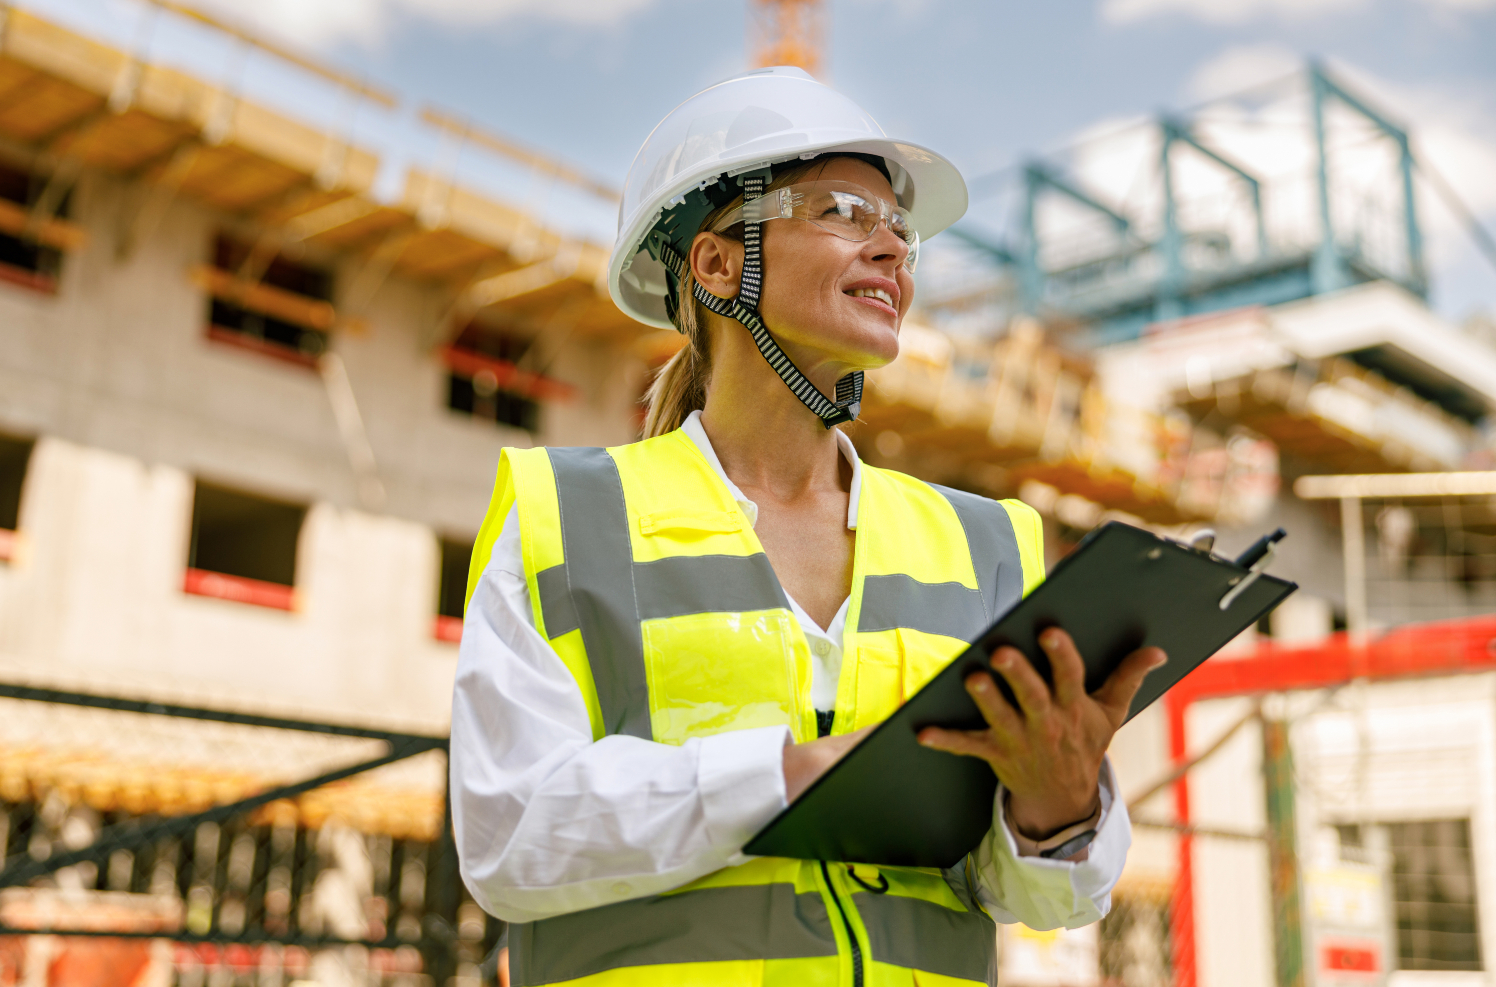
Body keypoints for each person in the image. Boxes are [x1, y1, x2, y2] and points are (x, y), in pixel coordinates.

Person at [450, 67, 1166, 987]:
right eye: (842, 212)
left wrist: (1060, 808)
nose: (893, 253)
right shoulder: (570, 516)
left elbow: (1044, 902)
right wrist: (790, 775)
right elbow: (508, 837)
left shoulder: (986, 544)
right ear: (715, 264)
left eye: (899, 231)